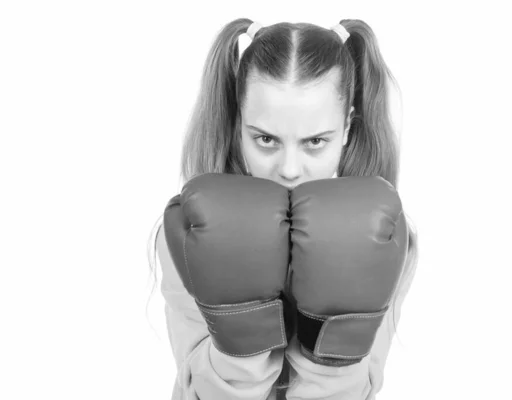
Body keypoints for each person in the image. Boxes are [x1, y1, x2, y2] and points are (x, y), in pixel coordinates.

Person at [147, 18, 419, 400]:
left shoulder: (385, 235)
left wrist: (332, 352)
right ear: (238, 124)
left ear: (346, 130)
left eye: (315, 142)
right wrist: (241, 334)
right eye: (266, 139)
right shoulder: (188, 233)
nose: (290, 169)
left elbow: (362, 387)